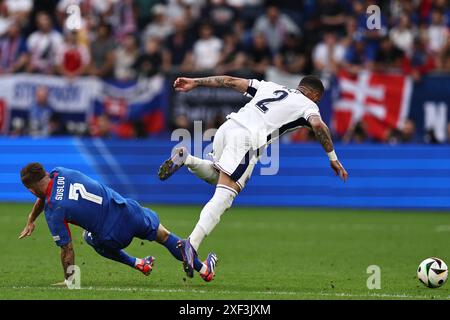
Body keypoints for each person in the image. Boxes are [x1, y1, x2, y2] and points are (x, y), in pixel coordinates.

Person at [158, 75, 348, 278]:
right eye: (317, 99)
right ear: (314, 95)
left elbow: (229, 81)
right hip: (248, 139)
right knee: (225, 195)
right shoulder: (308, 105)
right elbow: (318, 126)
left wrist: (196, 82)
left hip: (227, 127)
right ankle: (192, 244)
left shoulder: (270, 87)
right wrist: (333, 157)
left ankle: (187, 159)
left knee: (216, 175)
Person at [18, 163, 218, 285]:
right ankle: (204, 270)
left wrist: (70, 280)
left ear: (31, 188)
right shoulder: (59, 172)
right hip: (127, 210)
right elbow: (45, 194)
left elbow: (67, 250)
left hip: (112, 235)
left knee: (88, 237)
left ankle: (138, 263)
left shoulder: (54, 211)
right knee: (165, 236)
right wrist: (31, 218)